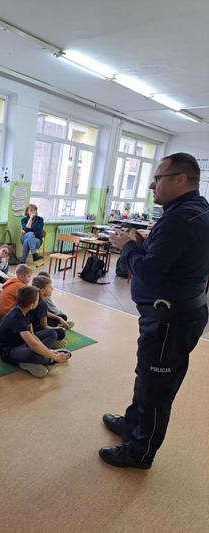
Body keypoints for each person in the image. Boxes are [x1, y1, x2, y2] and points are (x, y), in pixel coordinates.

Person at [101, 153, 209, 469]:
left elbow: (150, 272)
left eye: (157, 178)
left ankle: (140, 452)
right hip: (173, 315)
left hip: (170, 321)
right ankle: (133, 424)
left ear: (180, 180)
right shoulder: (196, 210)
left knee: (156, 389)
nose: (151, 185)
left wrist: (127, 246)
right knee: (147, 376)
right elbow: (174, 257)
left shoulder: (179, 219)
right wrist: (144, 243)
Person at [0, 285, 70, 378]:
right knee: (36, 354)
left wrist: (47, 351)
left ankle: (44, 355)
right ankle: (25, 363)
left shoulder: (27, 310)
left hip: (24, 342)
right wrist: (55, 357)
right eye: (37, 300)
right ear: (32, 305)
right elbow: (34, 345)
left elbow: (32, 335)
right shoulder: (16, 318)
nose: (39, 301)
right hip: (9, 350)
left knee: (52, 333)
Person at [31, 276, 66, 344]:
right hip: (35, 330)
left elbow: (44, 313)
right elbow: (44, 326)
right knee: (61, 332)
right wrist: (57, 329)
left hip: (35, 324)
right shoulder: (42, 304)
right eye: (49, 287)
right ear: (42, 291)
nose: (52, 288)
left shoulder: (34, 297)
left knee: (62, 316)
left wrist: (58, 317)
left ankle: (58, 325)